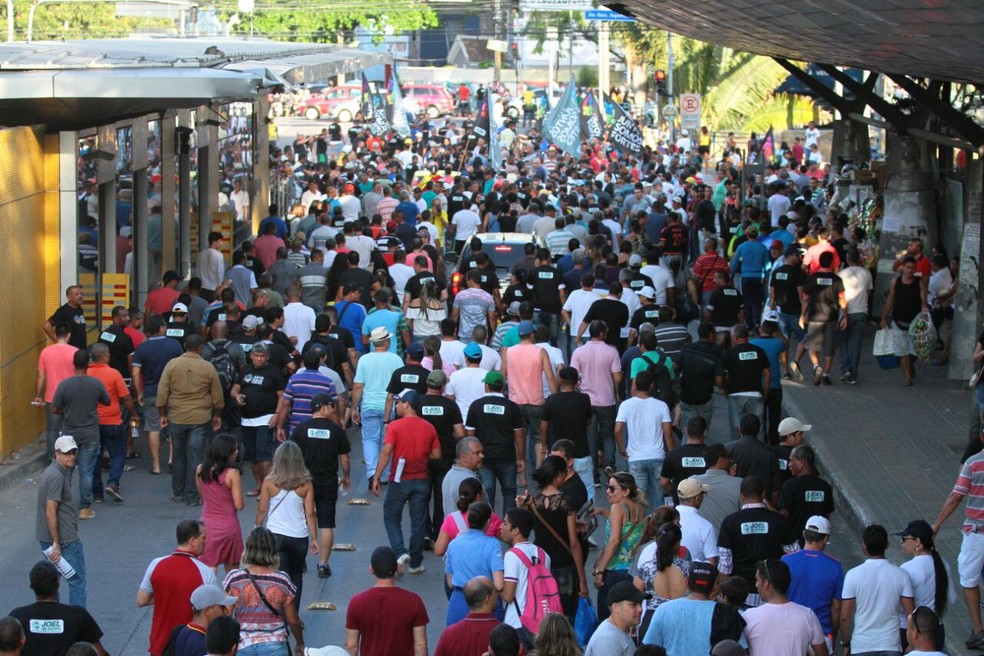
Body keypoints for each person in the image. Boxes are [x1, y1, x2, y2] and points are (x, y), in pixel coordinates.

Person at [372, 389, 441, 575]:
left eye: (399, 402)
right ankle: (416, 563)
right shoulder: (429, 427)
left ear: (407, 404)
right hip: (422, 479)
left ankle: (400, 552)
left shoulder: (395, 426)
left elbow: (387, 451)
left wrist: (377, 476)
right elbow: (436, 454)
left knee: (391, 517)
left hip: (399, 479)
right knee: (418, 522)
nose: (396, 406)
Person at [157, 334, 225, 506]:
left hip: (177, 416)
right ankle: (193, 495)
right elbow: (217, 395)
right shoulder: (207, 367)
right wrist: (217, 414)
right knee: (196, 456)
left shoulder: (172, 365)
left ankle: (178, 492)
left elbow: (162, 392)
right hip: (200, 417)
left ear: (185, 345)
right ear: (200, 348)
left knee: (178, 454)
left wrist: (162, 414)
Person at [289, 392, 350, 578]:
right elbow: (345, 458)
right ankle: (323, 564)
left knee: (300, 520)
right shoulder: (337, 430)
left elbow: (291, 455)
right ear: (324, 407)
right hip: (327, 482)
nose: (333, 410)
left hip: (302, 482)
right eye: (332, 406)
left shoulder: (300, 429)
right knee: (326, 523)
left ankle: (300, 560)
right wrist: (346, 476)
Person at [933, 427, 984, 648]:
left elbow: (956, 497)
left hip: (976, 533)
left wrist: (937, 524)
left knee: (969, 580)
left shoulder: (973, 463)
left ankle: (978, 630)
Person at [138, 520, 217, 656]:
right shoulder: (205, 573)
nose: (206, 542)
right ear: (192, 540)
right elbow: (213, 612)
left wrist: (167, 594)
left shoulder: (156, 564)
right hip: (190, 646)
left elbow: (141, 600)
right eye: (203, 537)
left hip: (159, 645)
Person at [222, 527, 305, 656]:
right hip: (275, 645)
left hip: (243, 645)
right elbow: (293, 620)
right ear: (272, 550)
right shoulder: (282, 580)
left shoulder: (235, 578)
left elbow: (226, 615)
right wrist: (300, 643)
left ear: (248, 548)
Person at [717, 476, 798, 607]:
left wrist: (725, 596)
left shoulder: (730, 523)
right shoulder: (779, 521)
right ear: (763, 494)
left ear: (741, 496)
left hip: (740, 597)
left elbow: (725, 564)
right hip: (773, 595)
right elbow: (794, 555)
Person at [523, 456, 588, 620]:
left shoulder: (533, 501)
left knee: (544, 613)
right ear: (558, 474)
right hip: (563, 564)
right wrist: (582, 580)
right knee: (566, 615)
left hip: (541, 565)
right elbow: (574, 544)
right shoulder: (566, 502)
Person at [255, 441, 319, 609]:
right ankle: (294, 614)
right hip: (299, 536)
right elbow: (310, 513)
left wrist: (257, 527)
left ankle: (280, 614)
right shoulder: (306, 483)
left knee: (279, 577)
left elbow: (262, 509)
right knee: (296, 575)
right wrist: (314, 538)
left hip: (276, 535)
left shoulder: (269, 482)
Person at [51, 349, 109, 520]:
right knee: (87, 471)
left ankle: (64, 506)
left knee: (67, 471)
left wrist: (67, 410)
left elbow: (54, 408)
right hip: (90, 433)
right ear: (89, 364)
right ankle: (84, 508)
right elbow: (107, 401)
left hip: (70, 433)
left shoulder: (64, 384)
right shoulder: (96, 383)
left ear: (73, 364)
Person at [839, 524, 915, 656]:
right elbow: (911, 615)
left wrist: (846, 643)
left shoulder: (853, 575)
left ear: (864, 546)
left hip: (861, 645)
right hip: (891, 645)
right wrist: (912, 645)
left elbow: (845, 617)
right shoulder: (901, 575)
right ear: (887, 545)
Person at [8, 560, 107, 656]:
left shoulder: (17, 616)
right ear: (58, 584)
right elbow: (100, 652)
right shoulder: (77, 615)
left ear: (31, 585)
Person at [344, 546, 429, 656]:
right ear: (397, 568)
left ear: (371, 570)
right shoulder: (414, 601)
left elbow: (351, 645)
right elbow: (421, 645)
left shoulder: (357, 602)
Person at [643, 560, 743, 653]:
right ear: (714, 587)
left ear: (686, 582)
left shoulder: (663, 610)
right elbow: (742, 650)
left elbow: (648, 650)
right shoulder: (728, 614)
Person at [36, 435, 87, 608]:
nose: (71, 456)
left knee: (51, 585)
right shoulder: (57, 476)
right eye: (67, 453)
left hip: (50, 539)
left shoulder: (53, 472)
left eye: (73, 452)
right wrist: (57, 542)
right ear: (57, 454)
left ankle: (53, 622)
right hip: (64, 540)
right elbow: (51, 510)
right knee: (77, 581)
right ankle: (78, 624)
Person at [465, 371, 525, 514]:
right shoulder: (512, 407)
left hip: (483, 458)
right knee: (510, 492)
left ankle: (488, 527)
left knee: (487, 493)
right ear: (502, 387)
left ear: (486, 386)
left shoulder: (476, 405)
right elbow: (519, 435)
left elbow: (469, 435)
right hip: (507, 456)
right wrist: (521, 458)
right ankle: (508, 526)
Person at [230, 343, 286, 496]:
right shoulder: (246, 370)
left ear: (267, 357)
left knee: (264, 454)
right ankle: (259, 485)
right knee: (252, 457)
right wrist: (237, 396)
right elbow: (235, 388)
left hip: (265, 418)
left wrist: (276, 414)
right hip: (247, 419)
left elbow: (282, 396)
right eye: (256, 355)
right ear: (251, 356)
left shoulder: (274, 372)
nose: (259, 359)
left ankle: (267, 488)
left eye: (262, 356)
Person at [570, 320, 622, 486]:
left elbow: (573, 375)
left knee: (590, 437)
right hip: (608, 400)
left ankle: (594, 476)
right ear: (601, 333)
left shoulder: (579, 352)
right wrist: (616, 391)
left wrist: (580, 387)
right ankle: (609, 464)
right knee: (608, 435)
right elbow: (617, 378)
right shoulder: (612, 352)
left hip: (587, 401)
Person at [782, 515, 845, 650]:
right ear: (826, 538)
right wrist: (832, 635)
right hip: (822, 633)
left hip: (791, 633)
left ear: (804, 535)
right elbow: (836, 608)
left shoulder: (786, 561)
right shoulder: (835, 566)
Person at [742, 559, 829, 656]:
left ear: (766, 583)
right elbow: (822, 653)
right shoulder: (807, 615)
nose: (756, 584)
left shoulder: (748, 616)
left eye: (757, 580)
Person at [132, 314, 184, 475]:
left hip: (151, 392)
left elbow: (135, 373)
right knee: (174, 426)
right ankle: (171, 460)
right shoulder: (174, 345)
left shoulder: (142, 348)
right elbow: (181, 367)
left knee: (153, 427)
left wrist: (139, 392)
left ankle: (156, 465)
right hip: (172, 393)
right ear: (161, 328)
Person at [614, 369, 674, 509]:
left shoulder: (626, 405)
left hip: (635, 457)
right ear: (652, 385)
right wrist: (671, 456)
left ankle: (641, 527)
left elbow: (617, 431)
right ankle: (658, 527)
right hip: (658, 456)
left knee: (640, 498)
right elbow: (668, 434)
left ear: (634, 384)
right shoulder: (662, 406)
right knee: (658, 496)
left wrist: (622, 450)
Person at [352, 327, 404, 487]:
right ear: (387, 341)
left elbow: (358, 386)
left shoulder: (364, 360)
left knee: (369, 440)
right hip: (390, 406)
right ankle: (385, 474)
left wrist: (354, 407)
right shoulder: (396, 359)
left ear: (374, 343)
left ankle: (372, 472)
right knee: (386, 441)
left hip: (369, 405)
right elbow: (400, 386)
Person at [593, 471, 647, 621]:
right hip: (632, 571)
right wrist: (603, 512)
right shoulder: (640, 507)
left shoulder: (617, 508)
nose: (607, 491)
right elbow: (625, 525)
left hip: (614, 571)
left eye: (612, 488)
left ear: (626, 491)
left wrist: (599, 570)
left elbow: (615, 540)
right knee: (629, 618)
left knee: (608, 618)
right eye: (606, 486)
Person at [895, 519, 954, 652]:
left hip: (911, 631)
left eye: (904, 539)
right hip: (937, 630)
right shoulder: (943, 564)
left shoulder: (906, 569)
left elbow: (898, 606)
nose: (901, 542)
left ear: (917, 542)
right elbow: (952, 598)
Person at [444, 502, 506, 625]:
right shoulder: (493, 545)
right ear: (488, 522)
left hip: (459, 602)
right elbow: (499, 585)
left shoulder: (453, 544)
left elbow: (450, 583)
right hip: (486, 602)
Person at [196, 434, 245, 574]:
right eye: (234, 449)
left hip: (207, 524)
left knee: (209, 567)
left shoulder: (201, 470)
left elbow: (202, 497)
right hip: (229, 526)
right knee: (232, 571)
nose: (237, 451)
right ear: (226, 451)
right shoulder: (232, 473)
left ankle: (208, 596)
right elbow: (239, 505)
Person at [880, 256, 929, 387]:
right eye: (908, 267)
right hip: (898, 321)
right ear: (903, 268)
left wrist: (924, 306)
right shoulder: (895, 282)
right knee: (902, 352)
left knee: (916, 352)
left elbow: (923, 298)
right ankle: (907, 377)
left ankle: (911, 366)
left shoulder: (919, 282)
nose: (910, 270)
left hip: (916, 322)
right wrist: (884, 317)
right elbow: (890, 300)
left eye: (912, 268)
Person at [34, 322, 77, 461]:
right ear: (68, 334)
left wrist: (37, 395)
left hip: (51, 397)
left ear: (56, 334)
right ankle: (69, 458)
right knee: (69, 428)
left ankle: (52, 458)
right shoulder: (75, 351)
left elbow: (41, 376)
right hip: (70, 397)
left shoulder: (45, 352)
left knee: (52, 428)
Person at [674, 322, 725, 432]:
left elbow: (675, 367)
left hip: (686, 398)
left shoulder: (687, 348)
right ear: (711, 335)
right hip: (704, 399)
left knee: (688, 432)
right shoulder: (715, 353)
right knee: (703, 432)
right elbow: (719, 381)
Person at [433, 577, 501, 656]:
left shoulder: (449, 634)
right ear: (488, 599)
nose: (497, 595)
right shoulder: (504, 633)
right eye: (495, 592)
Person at [778, 444, 834, 538]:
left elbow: (783, 516)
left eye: (792, 460)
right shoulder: (825, 487)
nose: (789, 464)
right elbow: (826, 516)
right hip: (816, 542)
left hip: (793, 542)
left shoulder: (790, 486)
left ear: (802, 462)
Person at [164, 584, 237, 656]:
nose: (227, 611)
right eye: (222, 607)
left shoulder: (180, 632)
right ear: (207, 611)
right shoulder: (204, 647)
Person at [583, 580, 649, 656]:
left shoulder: (618, 631)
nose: (640, 609)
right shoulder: (607, 640)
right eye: (633, 605)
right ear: (616, 607)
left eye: (640, 603)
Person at [837, 248, 872, 384]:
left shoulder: (842, 274)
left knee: (843, 341)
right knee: (856, 343)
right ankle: (853, 372)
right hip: (861, 311)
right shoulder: (867, 273)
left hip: (845, 312)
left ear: (847, 259)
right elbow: (869, 293)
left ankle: (846, 368)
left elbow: (840, 296)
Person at [693, 444, 742, 532]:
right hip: (731, 539)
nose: (731, 460)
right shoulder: (739, 483)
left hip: (702, 538)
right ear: (721, 460)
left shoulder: (693, 481)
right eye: (728, 457)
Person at [43, 285, 87, 350]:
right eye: (77, 294)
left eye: (81, 294)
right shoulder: (63, 311)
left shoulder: (79, 309)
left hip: (81, 350)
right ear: (69, 297)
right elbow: (47, 326)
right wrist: (58, 342)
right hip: (69, 350)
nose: (80, 296)